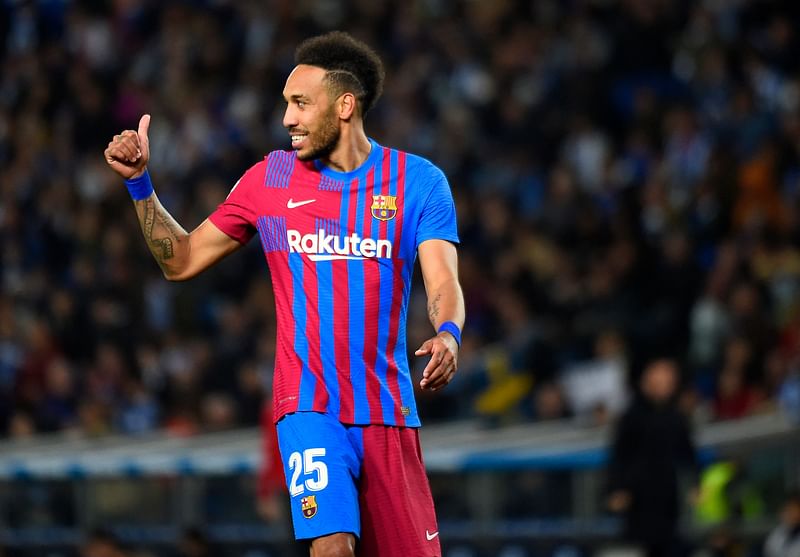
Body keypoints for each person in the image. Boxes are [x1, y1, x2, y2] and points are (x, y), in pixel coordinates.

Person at [104, 31, 464, 557]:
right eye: (285, 104)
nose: (287, 119)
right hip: (307, 406)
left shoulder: (417, 182)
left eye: (300, 104)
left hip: (387, 409)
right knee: (333, 546)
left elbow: (444, 282)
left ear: (345, 105)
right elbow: (179, 260)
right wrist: (140, 184)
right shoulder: (268, 180)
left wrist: (449, 334)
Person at [606, 358, 698, 557]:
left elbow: (687, 453)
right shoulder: (632, 415)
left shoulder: (676, 416)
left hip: (667, 494)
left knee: (669, 542)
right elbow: (619, 455)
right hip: (638, 495)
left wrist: (694, 484)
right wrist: (617, 488)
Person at [764, 492, 800, 557]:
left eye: (794, 510)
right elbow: (769, 550)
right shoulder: (779, 532)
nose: (791, 514)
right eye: (788, 510)